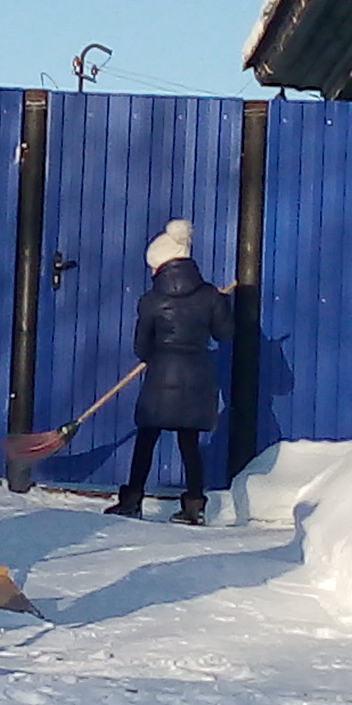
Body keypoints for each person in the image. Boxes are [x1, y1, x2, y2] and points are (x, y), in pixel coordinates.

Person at [108, 218, 235, 525]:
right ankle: (194, 507)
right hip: (197, 377)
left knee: (146, 438)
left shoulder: (151, 300)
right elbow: (225, 334)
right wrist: (223, 305)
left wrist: (157, 353)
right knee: (189, 442)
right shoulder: (210, 296)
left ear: (162, 265)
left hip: (160, 378)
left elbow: (141, 347)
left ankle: (132, 501)